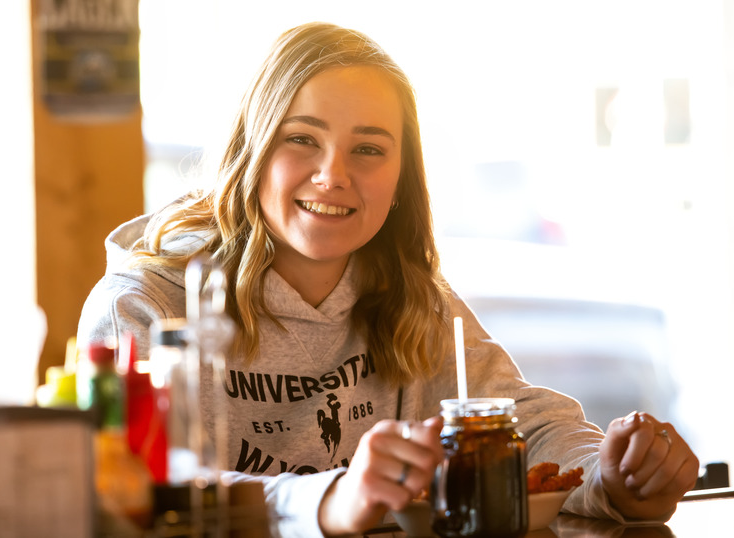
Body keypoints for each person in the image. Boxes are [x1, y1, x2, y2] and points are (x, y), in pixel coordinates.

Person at [77, 21, 699, 537]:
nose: (332, 174)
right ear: (253, 149)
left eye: (369, 149)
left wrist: (610, 475)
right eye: (302, 139)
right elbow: (147, 491)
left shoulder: (411, 298)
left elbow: (520, 423)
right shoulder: (142, 309)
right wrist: (331, 500)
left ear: (402, 179)